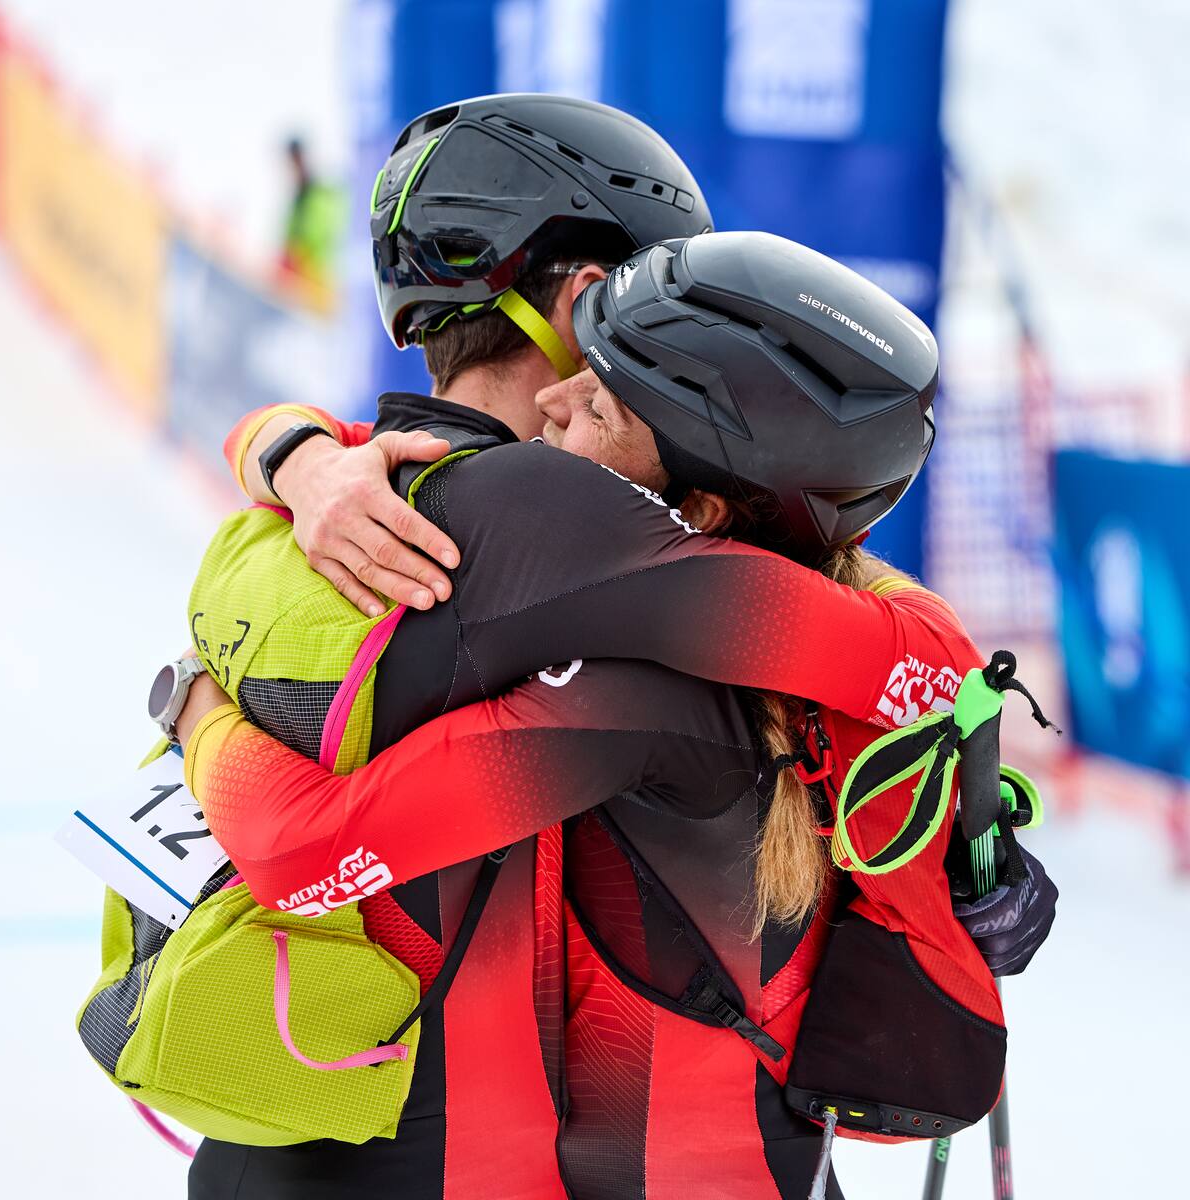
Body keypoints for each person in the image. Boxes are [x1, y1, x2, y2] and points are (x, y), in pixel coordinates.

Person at [175, 234, 1057, 1198]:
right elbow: (933, 668)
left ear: (702, 512)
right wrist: (298, 455)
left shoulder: (636, 692)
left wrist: (196, 708)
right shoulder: (847, 605)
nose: (550, 400)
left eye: (597, 402)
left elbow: (300, 852)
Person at [181, 92, 716, 1200]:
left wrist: (283, 449)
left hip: (277, 1144)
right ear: (586, 303)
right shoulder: (570, 533)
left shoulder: (290, 522)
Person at [276, 136, 345, 301]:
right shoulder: (297, 198)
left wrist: (297, 257)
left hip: (316, 287)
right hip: (294, 284)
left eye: (296, 160)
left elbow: (323, 238)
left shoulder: (322, 196)